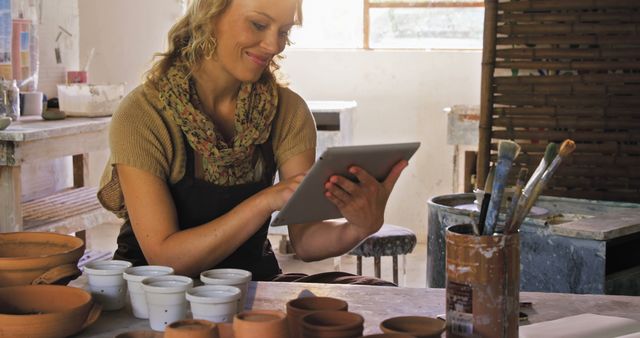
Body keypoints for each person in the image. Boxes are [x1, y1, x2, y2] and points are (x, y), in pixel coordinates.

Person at [97, 0, 408, 284]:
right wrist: (265, 201)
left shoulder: (288, 111)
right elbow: (166, 261)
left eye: (283, 31)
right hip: (155, 293)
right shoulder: (143, 114)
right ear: (210, 13)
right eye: (259, 25)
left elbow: (306, 241)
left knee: (378, 292)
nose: (273, 45)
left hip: (251, 283)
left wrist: (360, 225)